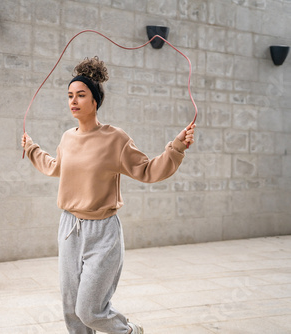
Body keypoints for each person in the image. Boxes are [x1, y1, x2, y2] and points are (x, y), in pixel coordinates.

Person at [21, 56, 195, 334]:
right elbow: (57, 168)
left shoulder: (115, 138)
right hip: (69, 228)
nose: (73, 101)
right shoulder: (68, 137)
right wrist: (32, 149)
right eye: (69, 96)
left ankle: (128, 331)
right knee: (71, 310)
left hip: (103, 231)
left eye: (81, 95)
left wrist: (176, 148)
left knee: (89, 310)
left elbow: (148, 171)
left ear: (95, 101)